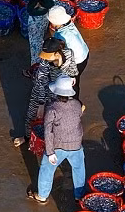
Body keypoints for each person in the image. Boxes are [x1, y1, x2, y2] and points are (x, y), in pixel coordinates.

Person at [28, 76, 87, 204]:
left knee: (47, 169)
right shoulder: (77, 104)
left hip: (58, 146)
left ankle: (42, 195)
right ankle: (79, 196)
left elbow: (48, 131)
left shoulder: (52, 108)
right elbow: (78, 115)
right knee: (79, 168)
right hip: (76, 143)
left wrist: (50, 152)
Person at [14, 37, 76, 147]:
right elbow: (41, 81)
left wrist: (72, 77)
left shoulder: (69, 54)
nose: (45, 58)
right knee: (32, 115)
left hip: (61, 93)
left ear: (57, 53)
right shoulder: (45, 61)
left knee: (58, 119)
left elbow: (73, 70)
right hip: (42, 91)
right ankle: (28, 137)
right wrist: (41, 104)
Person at [24, 0, 55, 67]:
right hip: (37, 10)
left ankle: (36, 66)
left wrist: (42, 6)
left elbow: (48, 1)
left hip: (38, 16)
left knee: (35, 41)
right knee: (39, 38)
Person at [47, 6, 89, 75]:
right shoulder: (70, 24)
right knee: (76, 77)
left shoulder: (60, 35)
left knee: (72, 79)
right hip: (85, 53)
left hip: (77, 61)